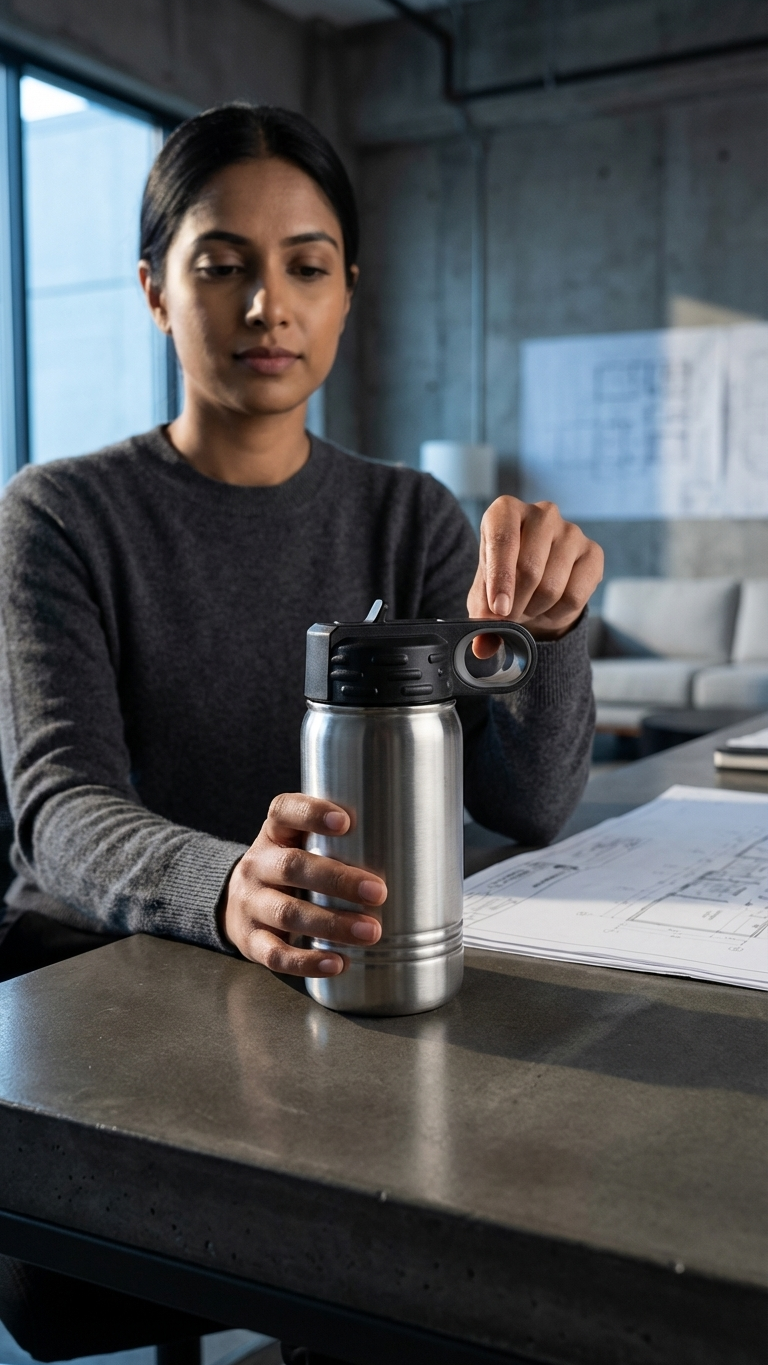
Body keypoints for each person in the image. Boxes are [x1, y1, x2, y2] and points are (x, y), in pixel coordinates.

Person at [0, 104, 602, 1362]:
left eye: (305, 265)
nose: (266, 303)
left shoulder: (413, 518)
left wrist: (550, 632)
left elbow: (532, 804)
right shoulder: (57, 516)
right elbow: (57, 804)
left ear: (346, 294)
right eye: (221, 265)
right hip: (119, 1019)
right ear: (157, 292)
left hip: (371, 1011)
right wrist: (227, 884)